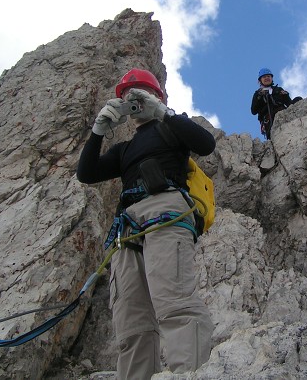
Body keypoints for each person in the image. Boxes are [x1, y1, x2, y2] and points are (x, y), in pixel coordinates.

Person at [76, 68, 215, 379]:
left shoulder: (172, 128)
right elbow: (86, 173)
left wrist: (163, 113)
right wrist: (99, 129)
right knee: (131, 323)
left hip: (166, 208)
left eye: (140, 94)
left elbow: (205, 143)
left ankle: (188, 374)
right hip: (127, 228)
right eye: (127, 97)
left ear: (157, 96)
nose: (132, 100)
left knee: (173, 300)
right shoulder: (123, 150)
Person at [250, 68, 301, 139]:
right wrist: (259, 97)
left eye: (268, 76)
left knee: (298, 99)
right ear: (260, 80)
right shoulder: (258, 94)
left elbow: (289, 104)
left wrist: (286, 96)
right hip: (268, 120)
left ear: (272, 78)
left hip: (283, 114)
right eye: (264, 77)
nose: (267, 78)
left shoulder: (278, 90)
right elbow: (253, 111)